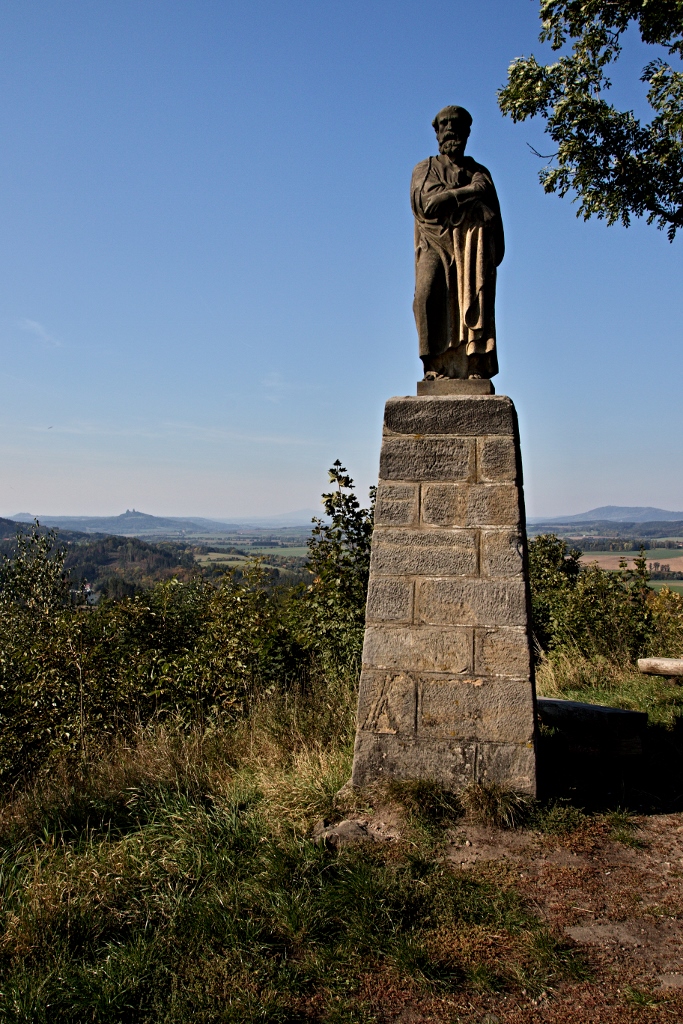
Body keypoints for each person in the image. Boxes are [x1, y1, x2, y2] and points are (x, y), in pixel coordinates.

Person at [411, 106, 504, 380]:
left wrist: (465, 198)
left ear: (467, 132)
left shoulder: (480, 171)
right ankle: (434, 365)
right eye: (445, 124)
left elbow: (492, 215)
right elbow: (428, 204)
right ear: (437, 131)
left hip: (471, 252)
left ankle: (475, 363)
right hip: (435, 245)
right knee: (426, 295)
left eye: (457, 124)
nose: (450, 128)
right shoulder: (424, 169)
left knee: (476, 299)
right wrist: (471, 192)